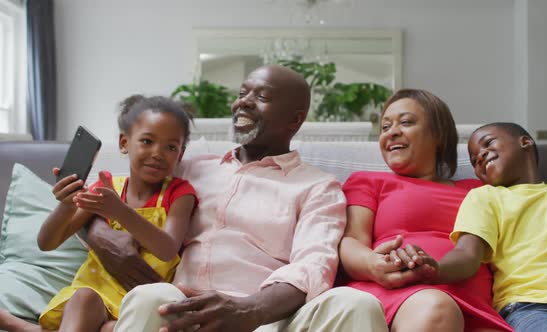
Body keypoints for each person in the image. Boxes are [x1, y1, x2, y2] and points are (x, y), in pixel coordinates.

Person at [82, 65, 389, 332]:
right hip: (184, 309)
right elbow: (121, 196)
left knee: (356, 304)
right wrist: (100, 234)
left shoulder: (318, 187)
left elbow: (313, 265)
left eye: (262, 97)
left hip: (271, 318)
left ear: (294, 120)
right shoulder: (189, 167)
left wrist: (248, 310)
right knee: (150, 296)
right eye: (243, 93)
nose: (244, 102)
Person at [0, 96, 198, 332]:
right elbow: (47, 242)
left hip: (138, 300)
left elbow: (167, 249)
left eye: (171, 147)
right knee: (84, 299)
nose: (158, 153)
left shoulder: (180, 193)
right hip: (93, 292)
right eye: (147, 141)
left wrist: (121, 211)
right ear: (124, 143)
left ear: (181, 154)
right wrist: (66, 204)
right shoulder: (106, 189)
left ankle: (21, 326)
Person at [338, 89, 513, 331]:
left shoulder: (479, 190)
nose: (392, 132)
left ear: (438, 134)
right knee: (437, 310)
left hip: (474, 307)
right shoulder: (368, 181)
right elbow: (352, 240)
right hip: (399, 296)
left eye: (406, 122)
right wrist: (373, 265)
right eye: (385, 126)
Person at [411, 122, 547, 332]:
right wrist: (437, 269)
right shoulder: (484, 198)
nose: (480, 157)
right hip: (529, 307)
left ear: (525, 143)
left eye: (488, 143)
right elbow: (467, 254)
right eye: (474, 159)